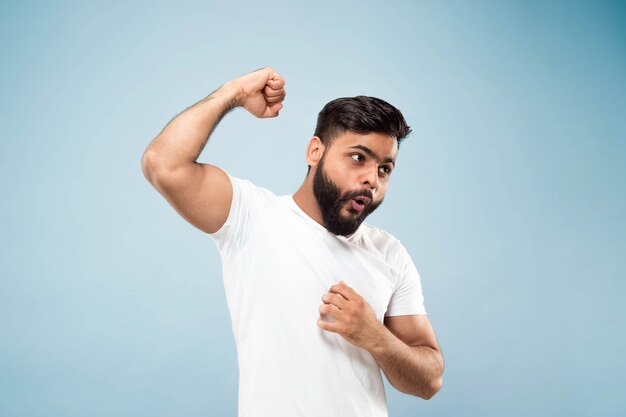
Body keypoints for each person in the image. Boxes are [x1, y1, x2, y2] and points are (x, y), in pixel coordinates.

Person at [141, 67, 444, 417]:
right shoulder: (252, 216)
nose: (371, 180)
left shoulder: (390, 253)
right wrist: (233, 94)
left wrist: (373, 335)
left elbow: (429, 380)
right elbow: (162, 164)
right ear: (315, 151)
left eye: (384, 169)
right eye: (358, 157)